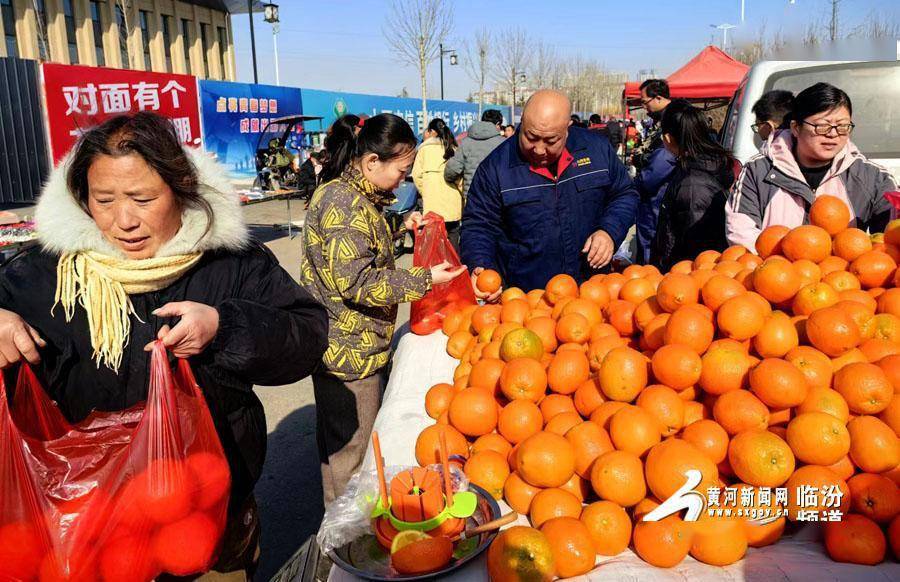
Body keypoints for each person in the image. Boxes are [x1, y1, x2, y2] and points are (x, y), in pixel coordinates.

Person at [0, 112, 328, 578]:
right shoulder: (40, 273)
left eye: (143, 198)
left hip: (209, 510)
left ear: (182, 189)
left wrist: (225, 326)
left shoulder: (230, 262)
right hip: (87, 521)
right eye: (104, 200)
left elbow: (308, 337)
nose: (124, 220)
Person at [301, 113, 466, 503]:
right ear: (372, 162)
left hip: (341, 341)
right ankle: (345, 541)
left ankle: (337, 521)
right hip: (348, 352)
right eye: (402, 170)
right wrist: (426, 280)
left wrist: (398, 225)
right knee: (352, 455)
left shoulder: (352, 195)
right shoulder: (345, 206)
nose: (403, 180)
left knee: (339, 445)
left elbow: (362, 241)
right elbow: (356, 282)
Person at [461, 90, 639, 294]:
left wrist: (609, 231)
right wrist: (480, 265)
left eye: (550, 141)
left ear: (567, 129)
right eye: (530, 137)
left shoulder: (596, 150)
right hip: (527, 297)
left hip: (591, 289)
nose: (538, 149)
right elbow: (478, 225)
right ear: (522, 124)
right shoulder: (496, 167)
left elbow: (625, 194)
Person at [727, 82, 898, 249]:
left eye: (842, 126)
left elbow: (891, 239)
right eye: (821, 126)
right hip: (776, 272)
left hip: (843, 275)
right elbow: (741, 232)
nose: (832, 134)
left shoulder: (873, 178)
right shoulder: (757, 171)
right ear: (796, 128)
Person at [650, 100, 734, 271]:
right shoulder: (710, 164)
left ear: (667, 138)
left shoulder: (692, 185)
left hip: (688, 278)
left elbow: (697, 251)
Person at [633, 78, 677, 264]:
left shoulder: (672, 119)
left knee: (652, 249)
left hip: (658, 193)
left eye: (645, 102)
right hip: (655, 190)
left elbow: (665, 160)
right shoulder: (660, 120)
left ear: (658, 98)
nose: (645, 108)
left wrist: (638, 182)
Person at [412, 118, 464, 249]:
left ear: (431, 131)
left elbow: (416, 175)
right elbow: (460, 179)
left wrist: (426, 192)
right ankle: (454, 267)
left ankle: (434, 269)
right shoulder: (453, 149)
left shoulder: (423, 150)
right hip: (453, 204)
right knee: (453, 240)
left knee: (433, 245)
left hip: (432, 205)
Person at [444, 109, 506, 202]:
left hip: (472, 198)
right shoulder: (503, 143)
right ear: (497, 124)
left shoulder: (466, 142)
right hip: (497, 197)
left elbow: (451, 171)